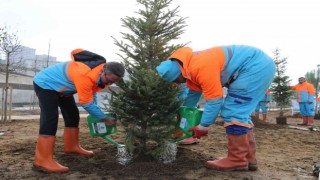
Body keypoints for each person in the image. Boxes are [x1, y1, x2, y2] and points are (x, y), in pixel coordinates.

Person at [156, 45, 275, 171]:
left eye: (175, 80)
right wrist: (181, 125)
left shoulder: (200, 67)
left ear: (179, 73)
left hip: (254, 67)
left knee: (233, 112)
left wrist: (203, 126)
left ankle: (237, 159)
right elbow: (190, 100)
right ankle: (247, 158)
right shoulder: (190, 66)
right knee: (240, 115)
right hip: (257, 65)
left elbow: (214, 100)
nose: (177, 83)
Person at [33, 49, 125, 172]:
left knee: (73, 114)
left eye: (114, 82)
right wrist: (103, 117)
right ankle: (42, 161)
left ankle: (72, 147)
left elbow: (92, 93)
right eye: (109, 80)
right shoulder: (85, 75)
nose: (110, 83)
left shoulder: (100, 75)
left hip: (63, 89)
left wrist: (97, 112)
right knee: (50, 117)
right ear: (103, 72)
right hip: (46, 84)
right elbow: (86, 102)